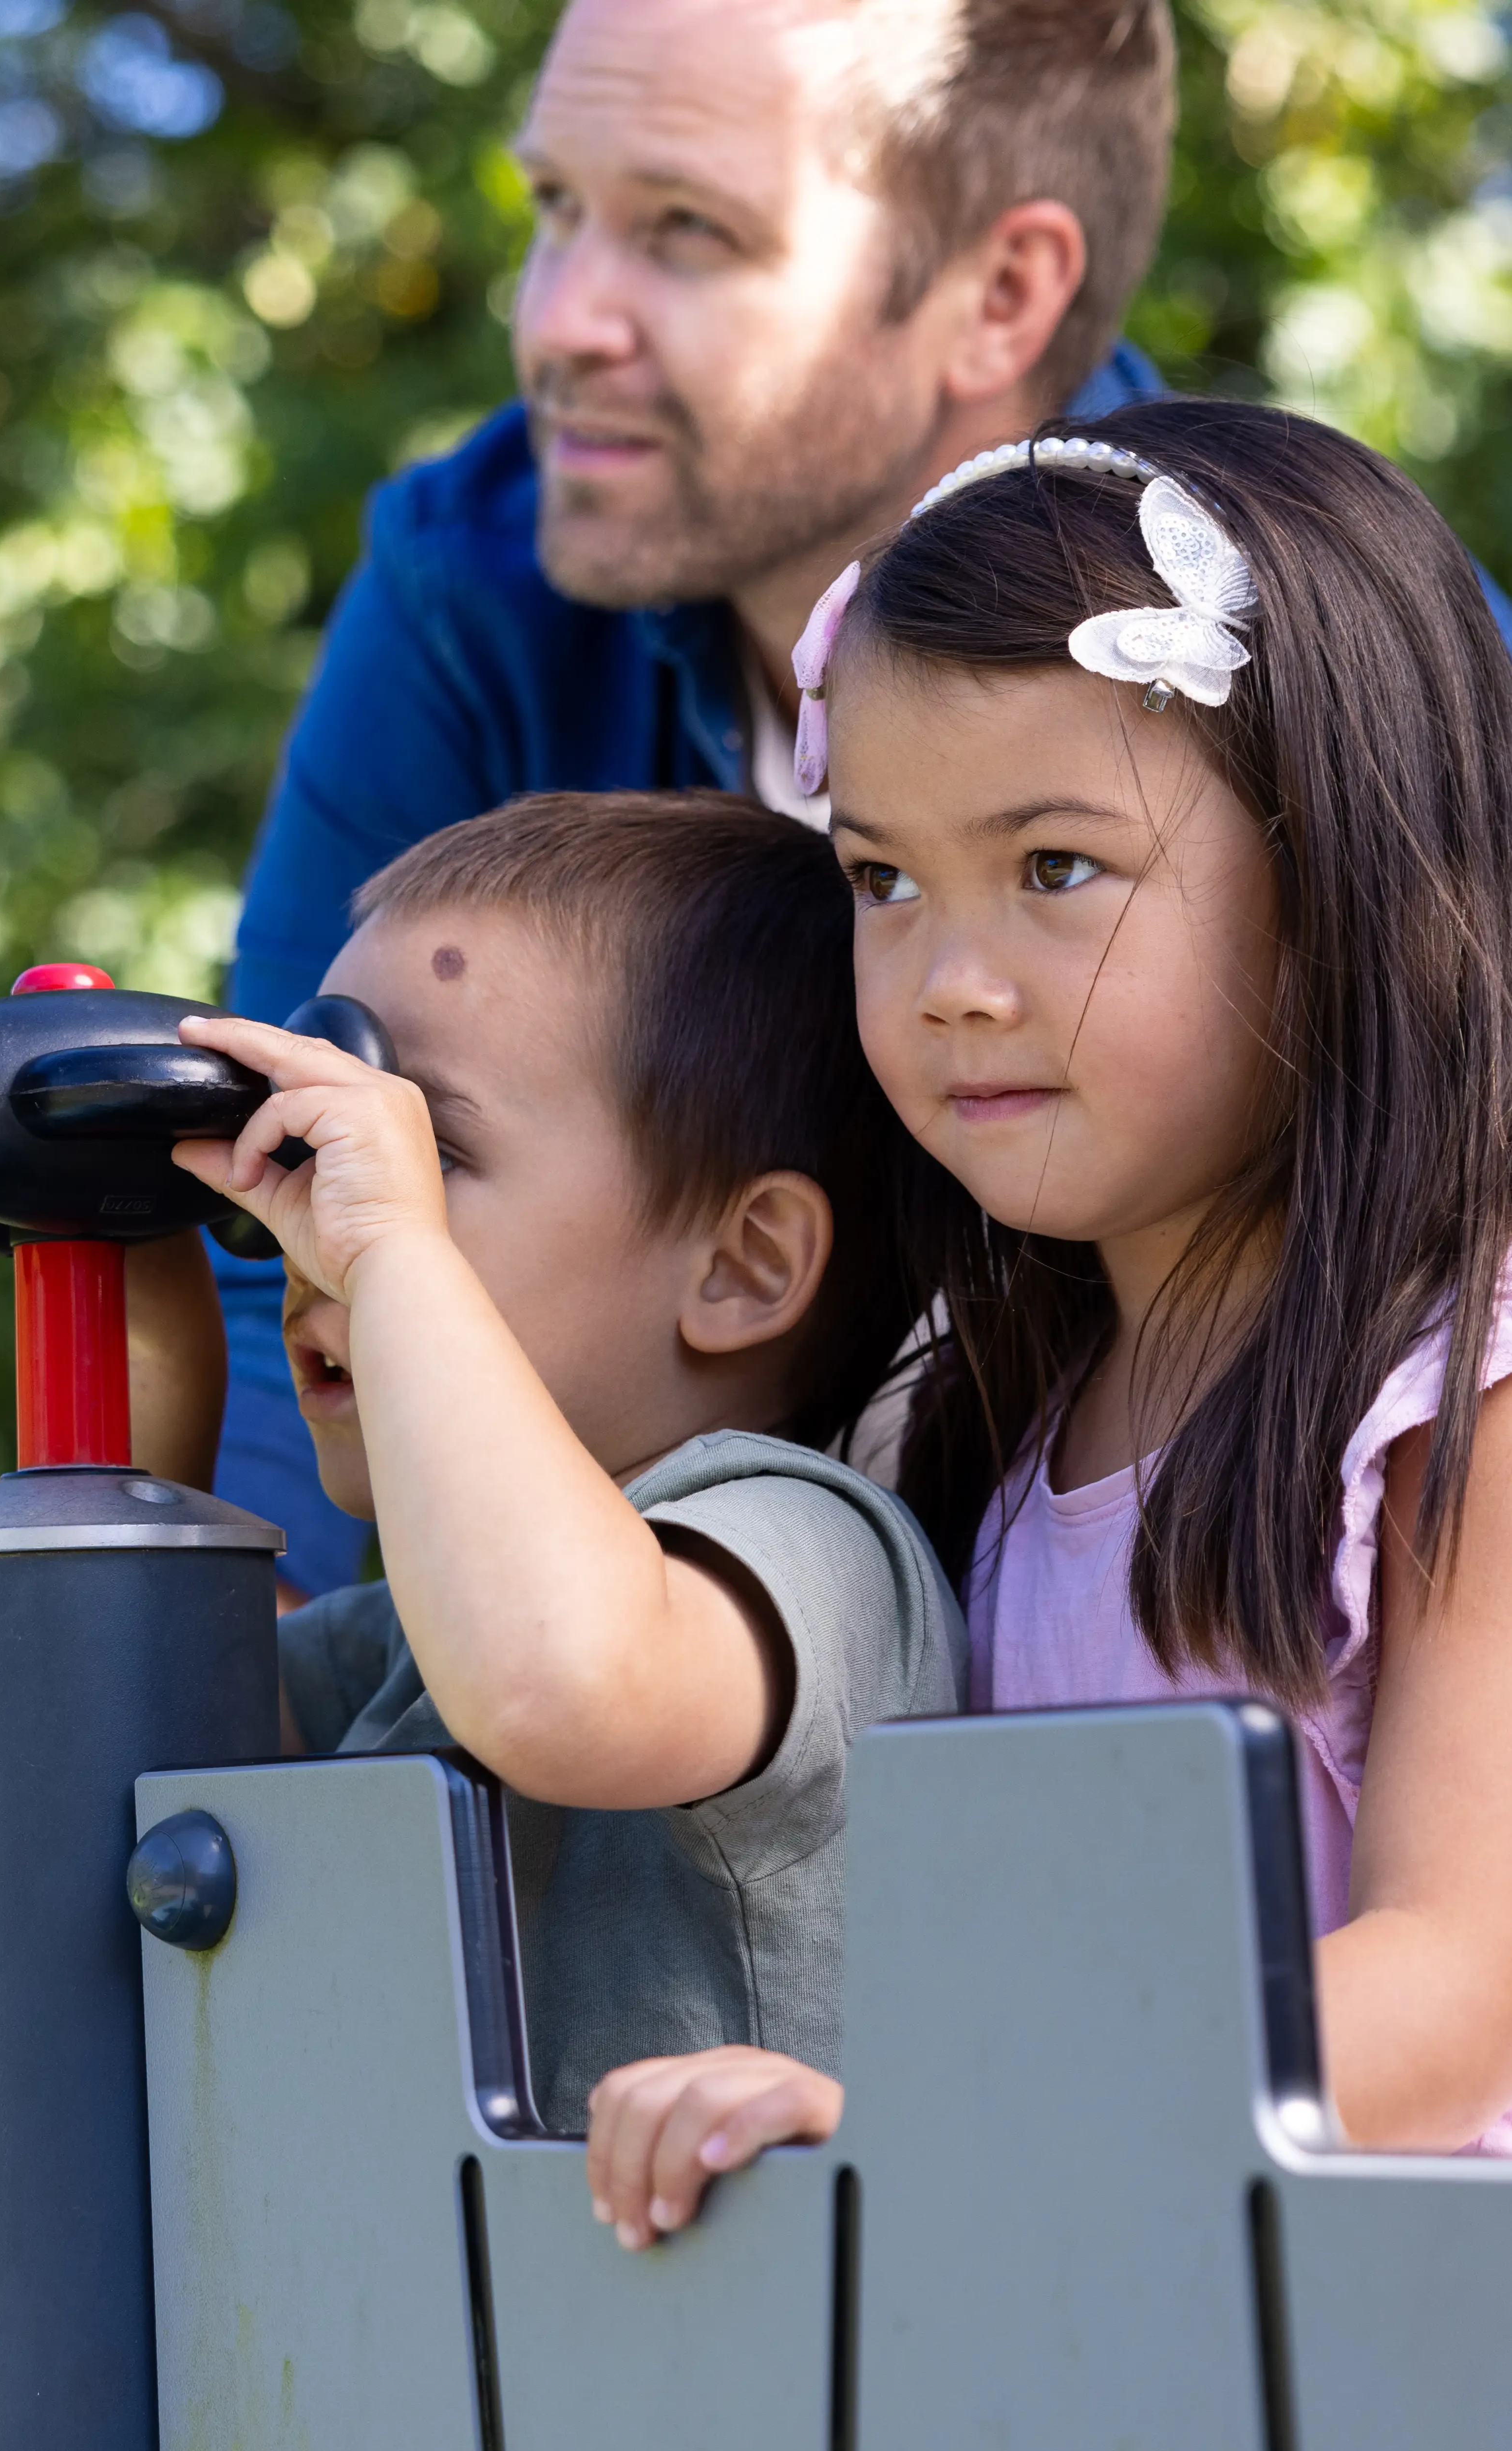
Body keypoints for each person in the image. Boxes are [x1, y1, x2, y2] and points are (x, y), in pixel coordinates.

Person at [0, 791, 965, 2259]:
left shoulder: (807, 1550)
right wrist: (110, 1236)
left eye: (415, 1148)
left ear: (742, 1263)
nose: (316, 1225)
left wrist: (392, 1256)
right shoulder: (411, 1642)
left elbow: (561, 1680)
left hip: (742, 2436)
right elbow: (140, 1734)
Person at [588, 396, 1512, 2249]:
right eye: (881, 881)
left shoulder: (1454, 1393)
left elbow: (1461, 1978)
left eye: (1056, 869)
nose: (951, 984)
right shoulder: (983, 1412)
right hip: (1115, 2384)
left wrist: (941, 2108)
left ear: (1336, 877)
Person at [216, 0, 1182, 1596]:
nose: (560, 322)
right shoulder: (476, 589)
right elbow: (279, 1249)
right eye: (556, 211)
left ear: (996, 295)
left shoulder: (1301, 661)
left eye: (686, 230)